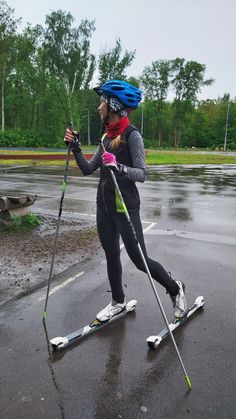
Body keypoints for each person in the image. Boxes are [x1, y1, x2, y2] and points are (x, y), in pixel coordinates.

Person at [64, 79, 187, 322]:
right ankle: (117, 301)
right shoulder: (105, 138)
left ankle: (176, 288)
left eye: (102, 102)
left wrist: (119, 167)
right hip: (105, 206)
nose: (99, 107)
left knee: (140, 260)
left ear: (114, 105)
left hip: (125, 208)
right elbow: (89, 168)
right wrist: (75, 148)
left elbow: (142, 173)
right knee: (111, 255)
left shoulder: (133, 136)